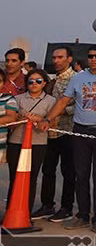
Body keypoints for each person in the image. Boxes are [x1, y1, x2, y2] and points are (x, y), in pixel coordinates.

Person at [44, 45, 96, 234]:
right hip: (80, 131)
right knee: (81, 176)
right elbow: (63, 101)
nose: (93, 59)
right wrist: (49, 119)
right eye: (90, 56)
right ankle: (82, 215)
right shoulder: (78, 78)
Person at [34, 45, 76, 221]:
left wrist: (58, 111)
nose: (56, 61)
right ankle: (47, 205)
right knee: (48, 169)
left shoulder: (76, 79)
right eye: (54, 58)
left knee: (68, 171)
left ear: (69, 59)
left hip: (68, 131)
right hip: (49, 132)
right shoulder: (53, 80)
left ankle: (67, 207)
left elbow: (78, 106)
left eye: (60, 57)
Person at [6, 68, 54, 214]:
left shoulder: (51, 101)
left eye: (38, 81)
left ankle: (25, 212)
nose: (34, 84)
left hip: (38, 143)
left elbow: (54, 123)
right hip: (16, 142)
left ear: (44, 83)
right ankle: (11, 211)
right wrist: (20, 119)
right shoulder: (18, 98)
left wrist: (40, 119)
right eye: (31, 81)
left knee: (31, 178)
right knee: (14, 177)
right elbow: (12, 118)